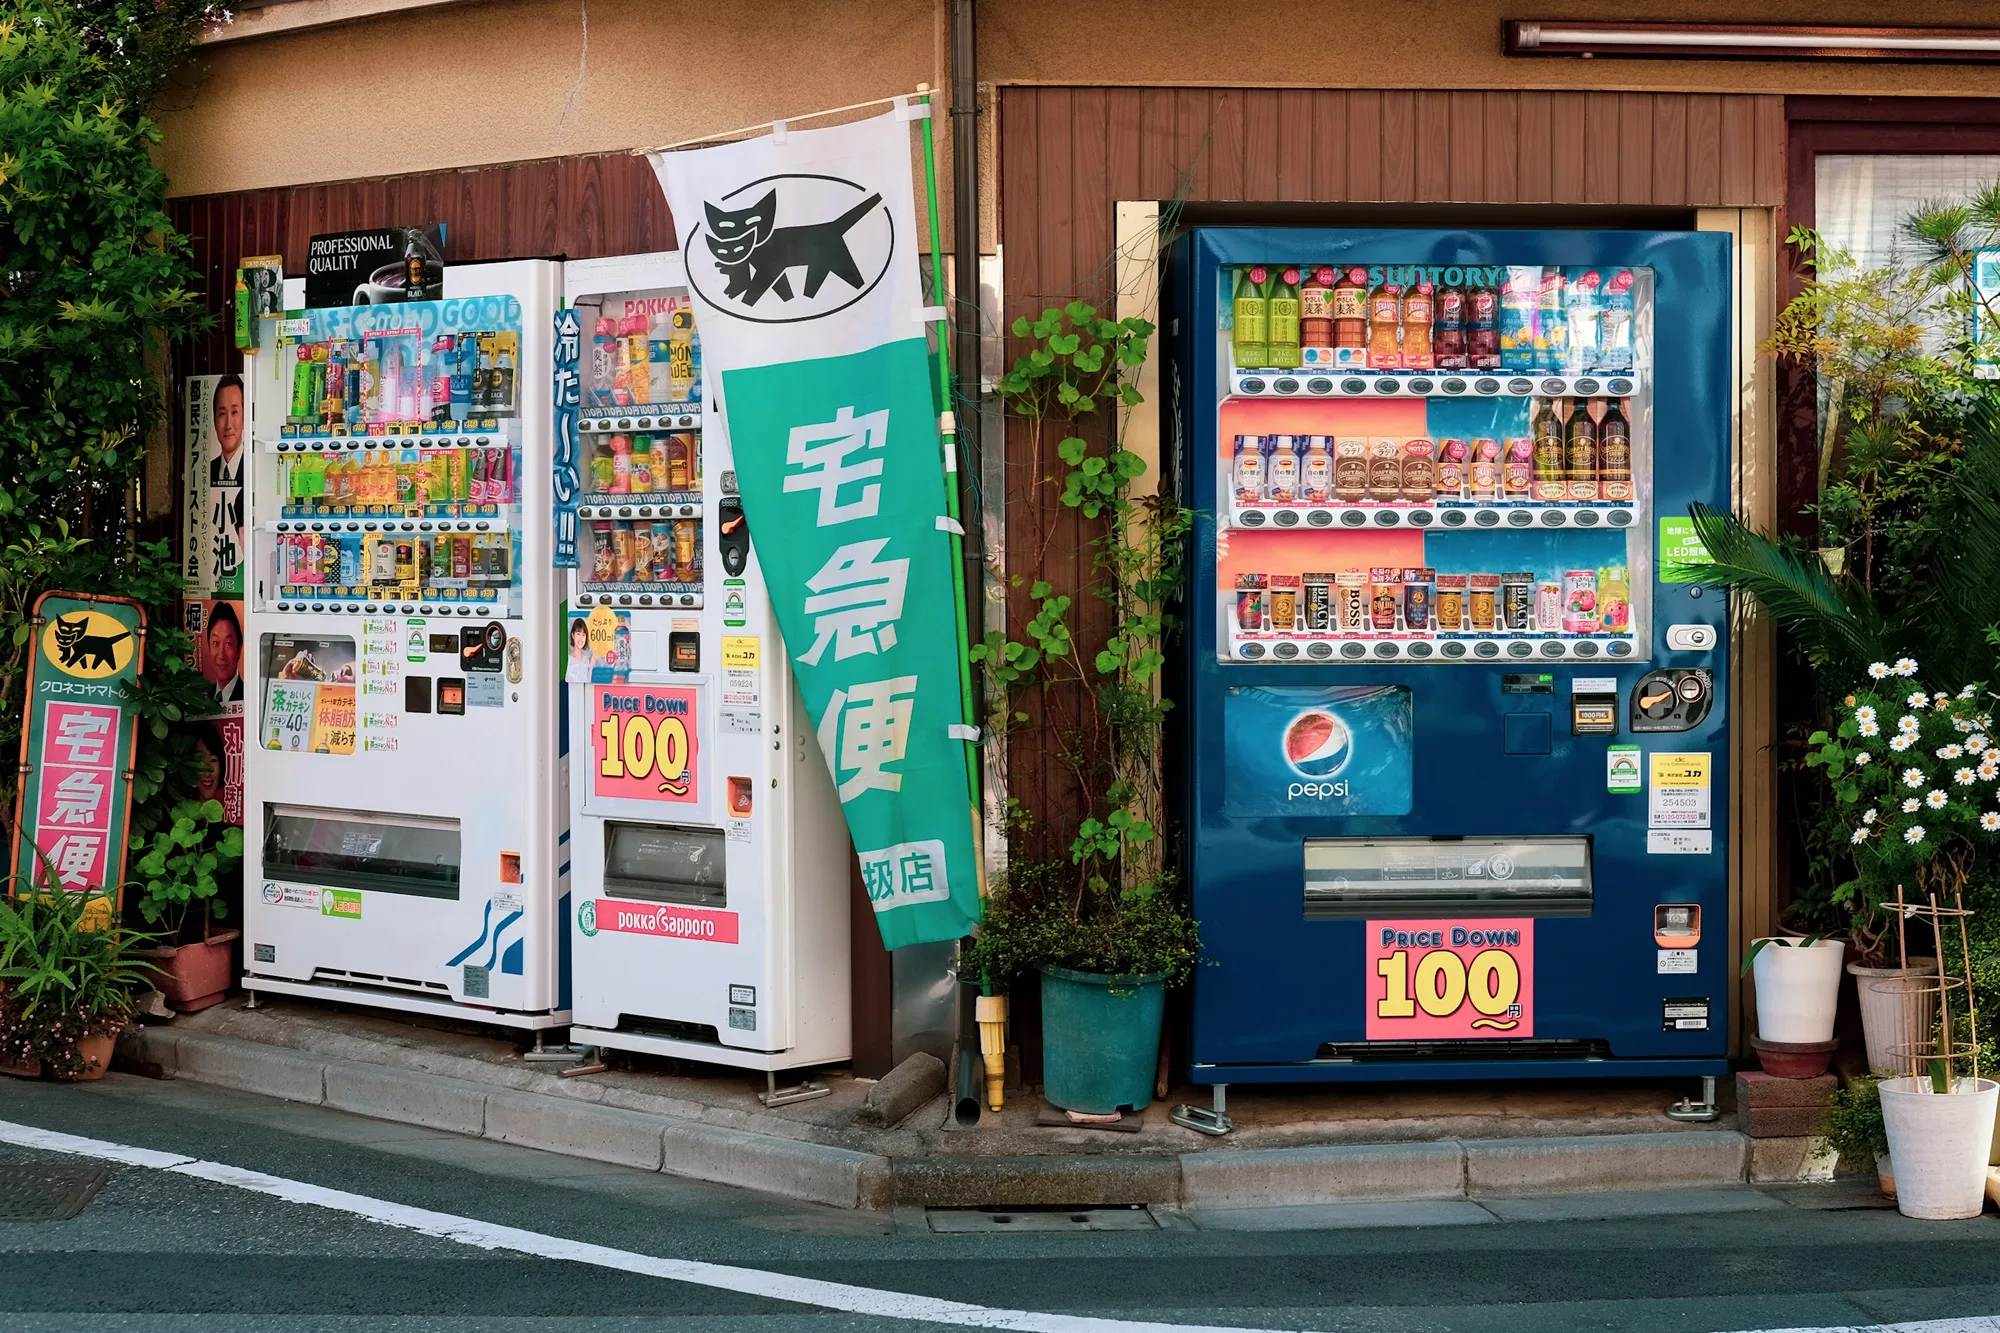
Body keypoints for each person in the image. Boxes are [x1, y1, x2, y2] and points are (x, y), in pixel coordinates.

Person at [201, 603, 244, 707]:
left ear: (239, 649)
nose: (221, 655)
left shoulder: (248, 694)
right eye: (216, 643)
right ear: (209, 647)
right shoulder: (202, 697)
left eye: (228, 644)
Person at [208, 376, 244, 487]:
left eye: (234, 412)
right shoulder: (207, 471)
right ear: (214, 420)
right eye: (222, 414)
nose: (228, 425)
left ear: (245, 417)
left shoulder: (253, 465)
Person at [567, 617, 593, 682]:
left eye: (583, 635)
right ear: (573, 635)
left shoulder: (586, 660)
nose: (581, 638)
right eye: (578, 634)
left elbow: (587, 681)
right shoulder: (568, 660)